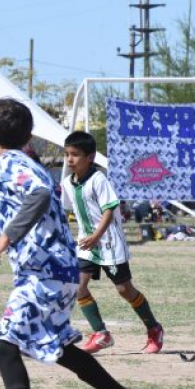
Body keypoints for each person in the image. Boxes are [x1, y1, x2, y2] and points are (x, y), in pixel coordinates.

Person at [0, 98, 150, 389]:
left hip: (44, 274)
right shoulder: (21, 162)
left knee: (5, 347)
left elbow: (40, 193)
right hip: (59, 271)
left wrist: (7, 236)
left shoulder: (10, 165)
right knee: (58, 347)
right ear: (29, 137)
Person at [61, 131, 164, 355]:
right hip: (86, 244)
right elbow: (64, 210)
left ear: (90, 157)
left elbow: (109, 210)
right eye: (67, 154)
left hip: (108, 242)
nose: (69, 159)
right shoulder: (67, 183)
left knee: (124, 289)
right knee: (77, 286)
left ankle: (154, 328)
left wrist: (97, 235)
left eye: (75, 155)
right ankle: (101, 334)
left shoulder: (99, 179)